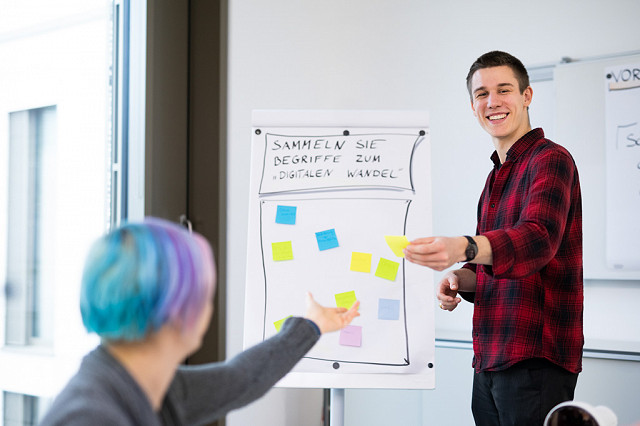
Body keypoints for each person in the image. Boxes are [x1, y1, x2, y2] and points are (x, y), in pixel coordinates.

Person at [404, 50, 584, 425]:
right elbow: (490, 263)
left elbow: (537, 241)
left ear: (527, 96)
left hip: (534, 359)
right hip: (489, 357)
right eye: (482, 94)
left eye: (504, 89)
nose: (493, 101)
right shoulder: (495, 178)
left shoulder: (551, 160)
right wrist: (460, 277)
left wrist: (465, 245)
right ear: (473, 106)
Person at [39, 217, 359, 426]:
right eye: (206, 295)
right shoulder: (91, 416)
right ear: (180, 310)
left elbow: (241, 379)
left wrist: (312, 324)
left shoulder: (148, 385)